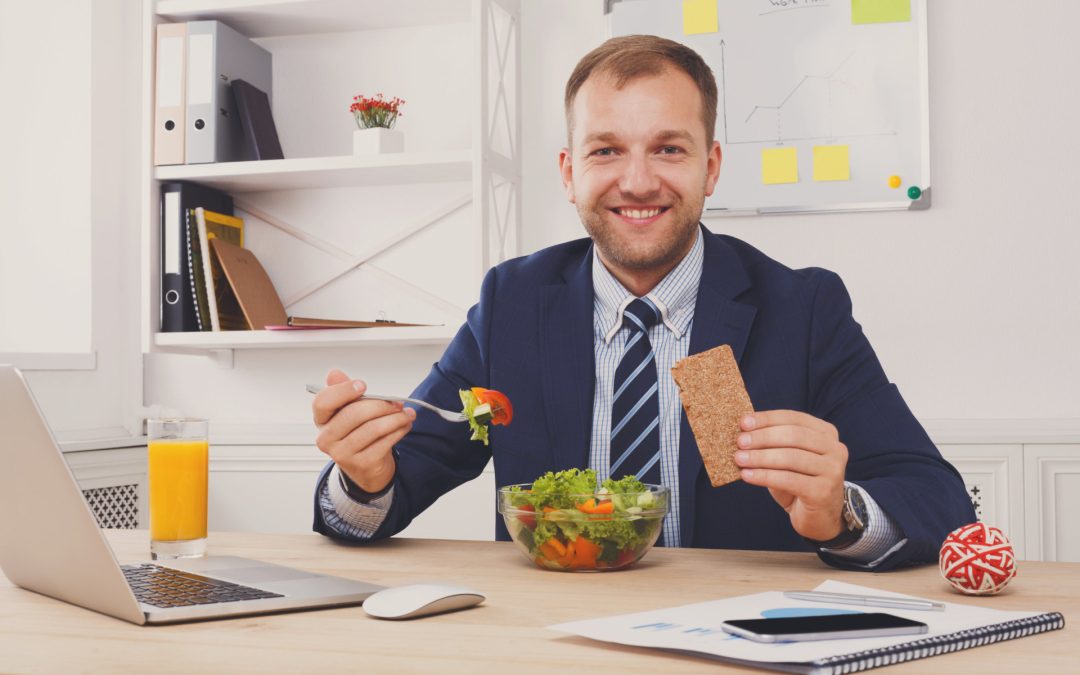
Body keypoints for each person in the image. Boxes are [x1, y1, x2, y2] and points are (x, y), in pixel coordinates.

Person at [311, 35, 974, 571]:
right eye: (607, 150)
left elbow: (938, 498)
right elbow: (390, 488)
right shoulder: (511, 304)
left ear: (711, 166)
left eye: (668, 149)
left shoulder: (802, 308)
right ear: (570, 172)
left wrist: (841, 510)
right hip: (551, 639)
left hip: (734, 636)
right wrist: (364, 477)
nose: (637, 180)